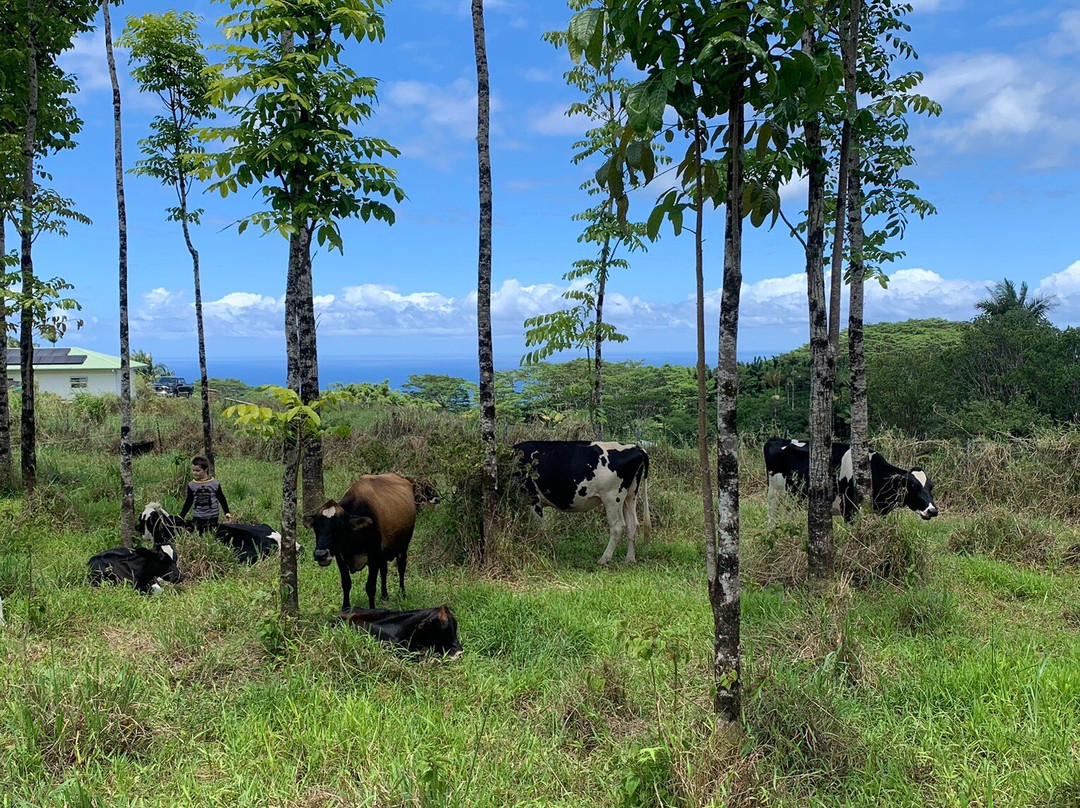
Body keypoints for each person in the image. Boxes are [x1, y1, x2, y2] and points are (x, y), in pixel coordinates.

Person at [179, 456, 233, 534]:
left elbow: (221, 498)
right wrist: (181, 516)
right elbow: (188, 501)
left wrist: (227, 513)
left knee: (212, 534)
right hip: (198, 516)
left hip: (212, 516)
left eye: (198, 470)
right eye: (193, 470)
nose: (195, 473)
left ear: (206, 469)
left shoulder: (214, 483)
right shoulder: (192, 485)